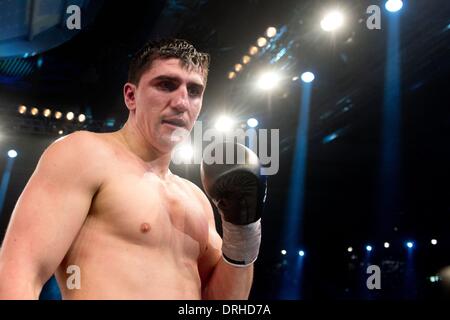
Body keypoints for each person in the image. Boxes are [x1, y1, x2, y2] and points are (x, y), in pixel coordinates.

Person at [0, 39, 265, 299]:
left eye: (194, 91)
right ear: (131, 95)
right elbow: (21, 271)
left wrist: (243, 230)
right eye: (166, 85)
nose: (182, 102)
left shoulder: (197, 198)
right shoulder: (85, 153)